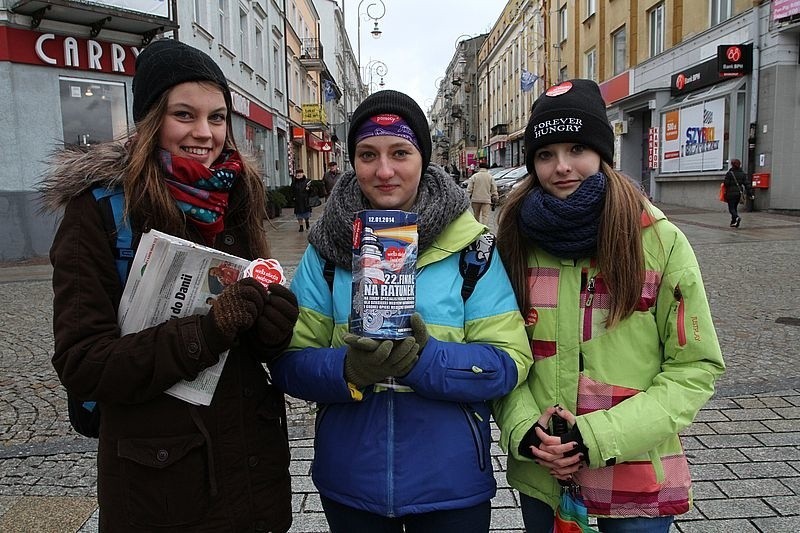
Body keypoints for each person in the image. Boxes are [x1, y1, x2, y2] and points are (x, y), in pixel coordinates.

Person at [40, 39, 299, 533]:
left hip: (250, 476)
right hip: (160, 488)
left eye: (218, 118)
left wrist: (272, 326)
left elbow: (251, 343)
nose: (205, 134)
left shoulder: (236, 194)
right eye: (185, 115)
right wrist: (205, 332)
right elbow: (83, 364)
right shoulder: (99, 212)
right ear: (151, 119)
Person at [270, 89, 531, 533]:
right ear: (353, 160)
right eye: (368, 154)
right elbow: (289, 364)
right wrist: (348, 370)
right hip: (352, 481)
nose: (384, 170)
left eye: (400, 153)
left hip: (450, 484)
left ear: (423, 159)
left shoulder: (473, 249)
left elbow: (510, 362)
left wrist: (426, 361)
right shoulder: (326, 252)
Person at [493, 79, 726, 533]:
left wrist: (593, 437)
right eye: (545, 154)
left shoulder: (658, 242)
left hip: (634, 481)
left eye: (577, 148)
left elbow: (694, 369)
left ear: (603, 152)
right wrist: (524, 430)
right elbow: (502, 356)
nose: (561, 167)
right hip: (545, 478)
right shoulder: (513, 244)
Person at [723, 158, 753, 228]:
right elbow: (747, 184)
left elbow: (726, 184)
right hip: (739, 193)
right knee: (735, 207)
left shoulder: (729, 173)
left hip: (730, 193)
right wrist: (750, 193)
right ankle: (733, 222)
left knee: (731, 208)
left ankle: (736, 217)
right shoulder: (742, 174)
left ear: (732, 165)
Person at [292, 168, 312, 232]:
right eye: (297, 174)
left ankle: (307, 223)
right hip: (297, 201)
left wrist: (309, 189)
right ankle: (301, 226)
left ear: (303, 174)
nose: (299, 175)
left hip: (305, 200)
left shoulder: (307, 181)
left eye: (300, 173)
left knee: (306, 214)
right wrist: (293, 197)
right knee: (298, 214)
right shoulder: (294, 182)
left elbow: (312, 191)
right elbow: (292, 190)